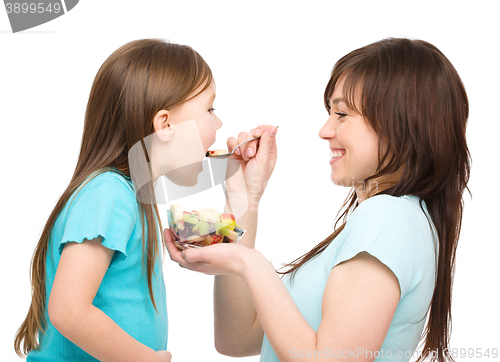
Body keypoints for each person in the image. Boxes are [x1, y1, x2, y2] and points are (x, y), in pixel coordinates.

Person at [166, 37, 471, 362]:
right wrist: (245, 197)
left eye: (342, 114)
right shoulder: (399, 219)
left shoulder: (388, 217)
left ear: (402, 122)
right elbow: (236, 339)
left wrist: (249, 263)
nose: (324, 130)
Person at [14, 38, 225, 362]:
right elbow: (68, 309)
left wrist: (243, 194)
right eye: (210, 109)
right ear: (165, 125)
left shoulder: (131, 197)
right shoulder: (110, 194)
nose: (219, 122)